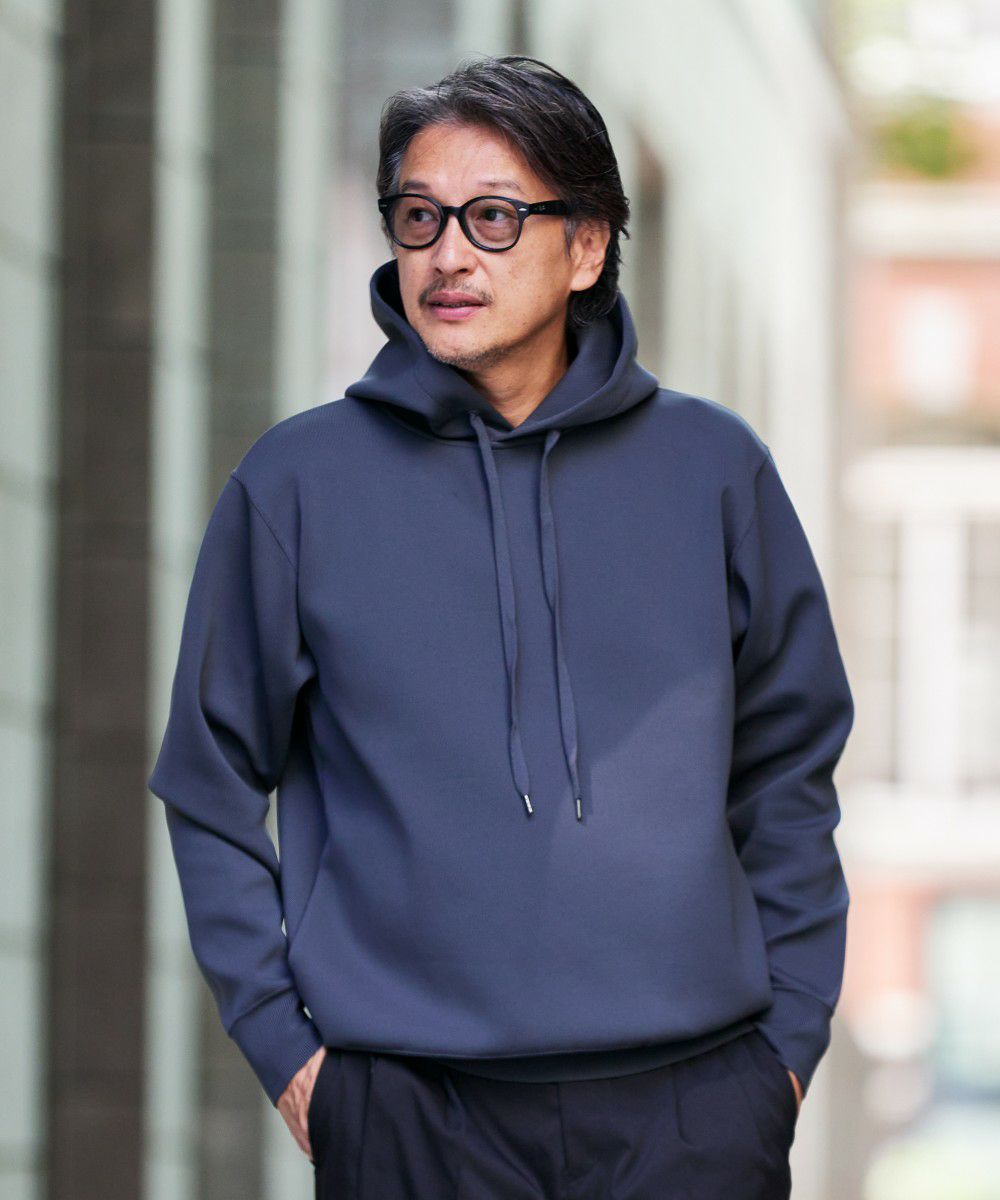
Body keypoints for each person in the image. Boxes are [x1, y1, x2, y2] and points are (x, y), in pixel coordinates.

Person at [147, 54, 854, 1200]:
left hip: (695, 1114)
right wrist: (292, 1060)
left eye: (491, 217)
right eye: (418, 217)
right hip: (409, 1119)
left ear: (586, 247)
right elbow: (208, 783)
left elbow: (791, 766)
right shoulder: (296, 485)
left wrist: (783, 1055)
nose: (447, 255)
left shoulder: (715, 471)